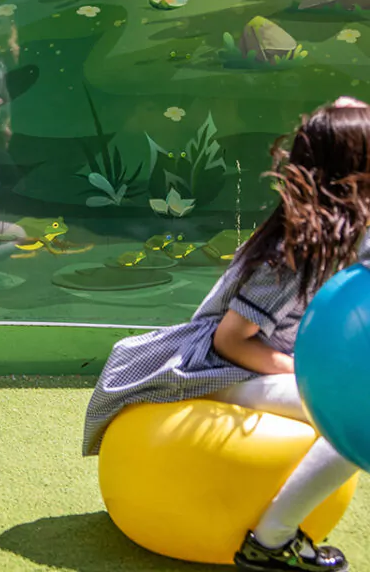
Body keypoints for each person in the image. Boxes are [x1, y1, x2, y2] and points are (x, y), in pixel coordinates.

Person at [83, 97, 370, 572]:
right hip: (218, 369)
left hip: (256, 366)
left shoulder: (342, 234)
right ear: (353, 170)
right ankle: (270, 540)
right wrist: (310, 377)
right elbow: (230, 339)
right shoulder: (294, 249)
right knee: (359, 422)